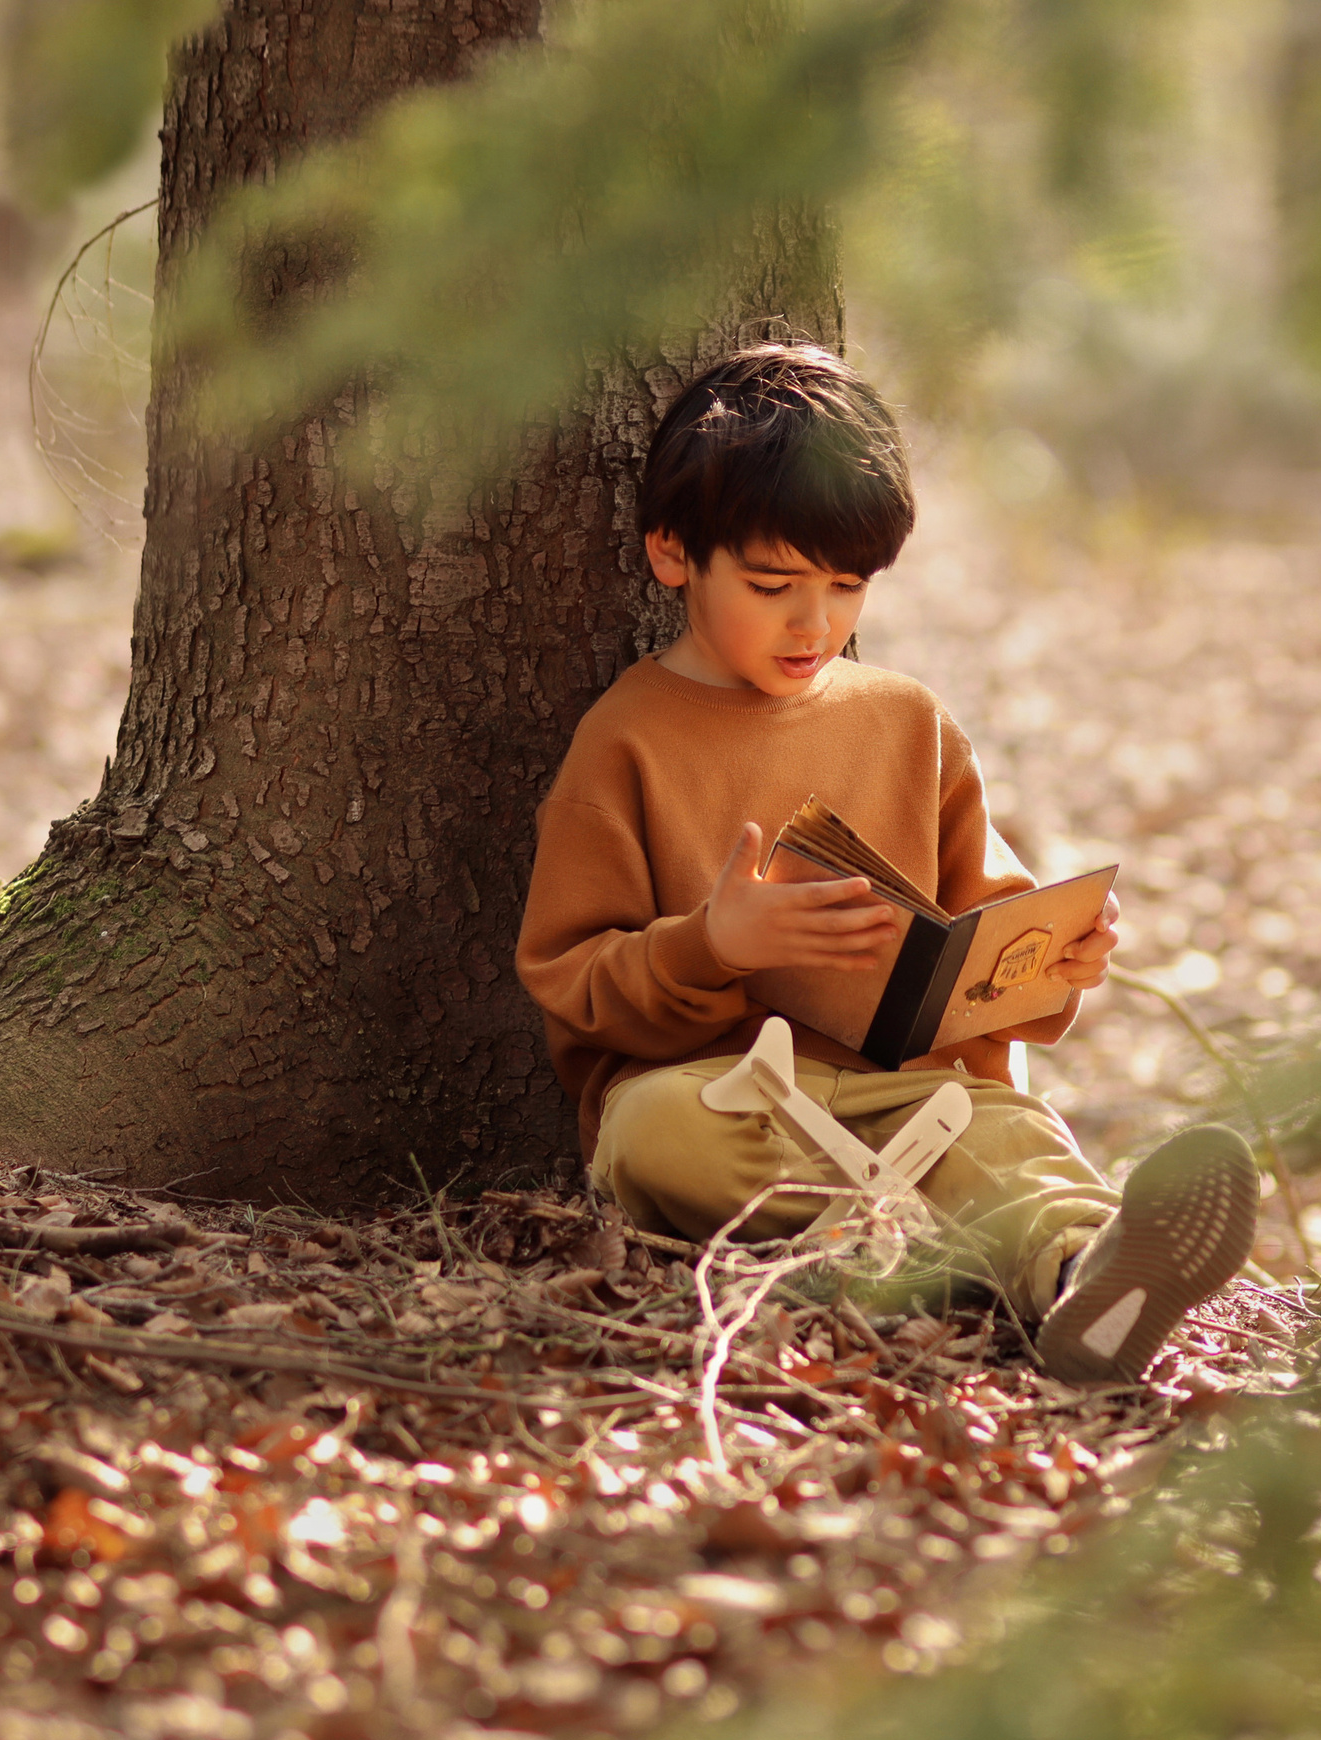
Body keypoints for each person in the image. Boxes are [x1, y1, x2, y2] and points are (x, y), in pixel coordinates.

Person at [514, 342, 1256, 1383]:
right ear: (674, 553)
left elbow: (984, 935)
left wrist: (1054, 964)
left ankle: (1086, 1272)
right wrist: (711, 946)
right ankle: (916, 1255)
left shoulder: (909, 724)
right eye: (772, 584)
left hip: (910, 1100)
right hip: (727, 1098)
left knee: (1006, 1137)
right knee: (653, 1137)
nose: (814, 622)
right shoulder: (624, 740)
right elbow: (571, 983)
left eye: (846, 585)